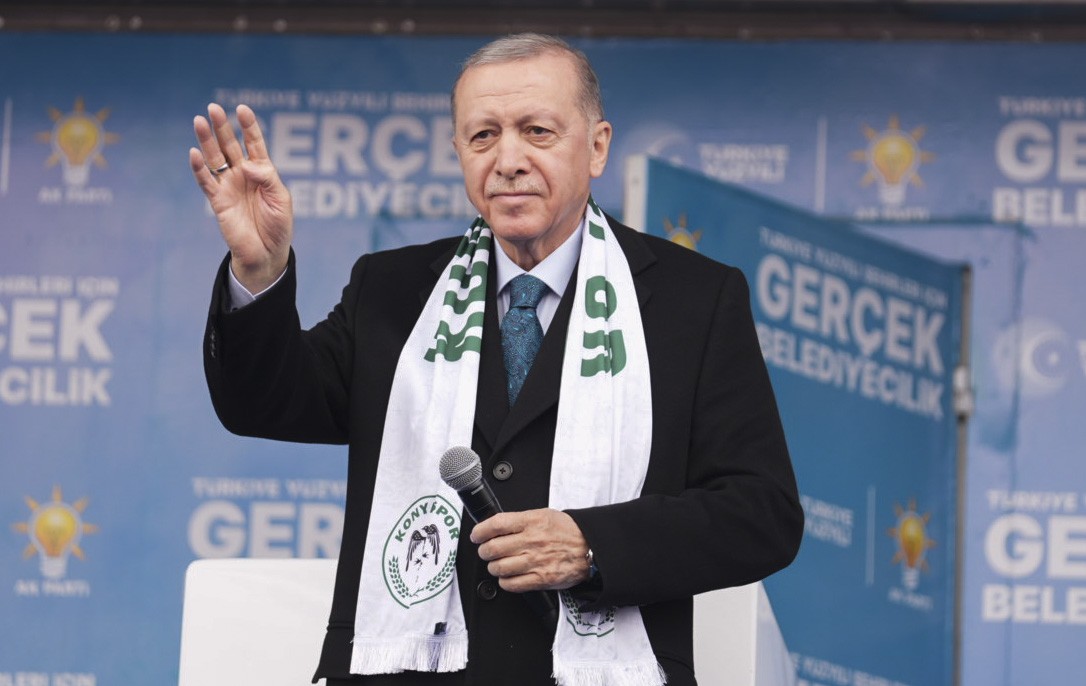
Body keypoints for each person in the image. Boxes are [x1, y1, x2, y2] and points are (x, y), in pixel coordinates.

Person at [190, 33, 802, 686]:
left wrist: (592, 544)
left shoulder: (693, 300)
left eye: (537, 131)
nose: (508, 160)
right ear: (458, 151)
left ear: (597, 147)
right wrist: (259, 273)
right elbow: (264, 403)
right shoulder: (391, 289)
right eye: (483, 136)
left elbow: (761, 514)